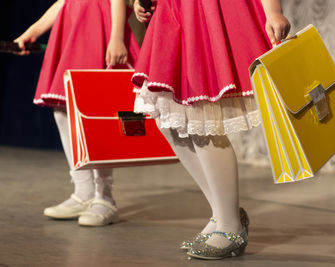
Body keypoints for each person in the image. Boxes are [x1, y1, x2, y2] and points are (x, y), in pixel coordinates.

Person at [132, 0, 290, 260]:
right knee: (169, 121)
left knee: (202, 117)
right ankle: (223, 213)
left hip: (207, 14)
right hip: (172, 15)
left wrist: (273, 11)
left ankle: (230, 225)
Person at [14, 0, 139, 226]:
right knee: (63, 109)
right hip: (74, 28)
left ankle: (105, 197)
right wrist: (34, 30)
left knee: (99, 116)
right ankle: (84, 191)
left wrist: (116, 36)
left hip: (101, 27)